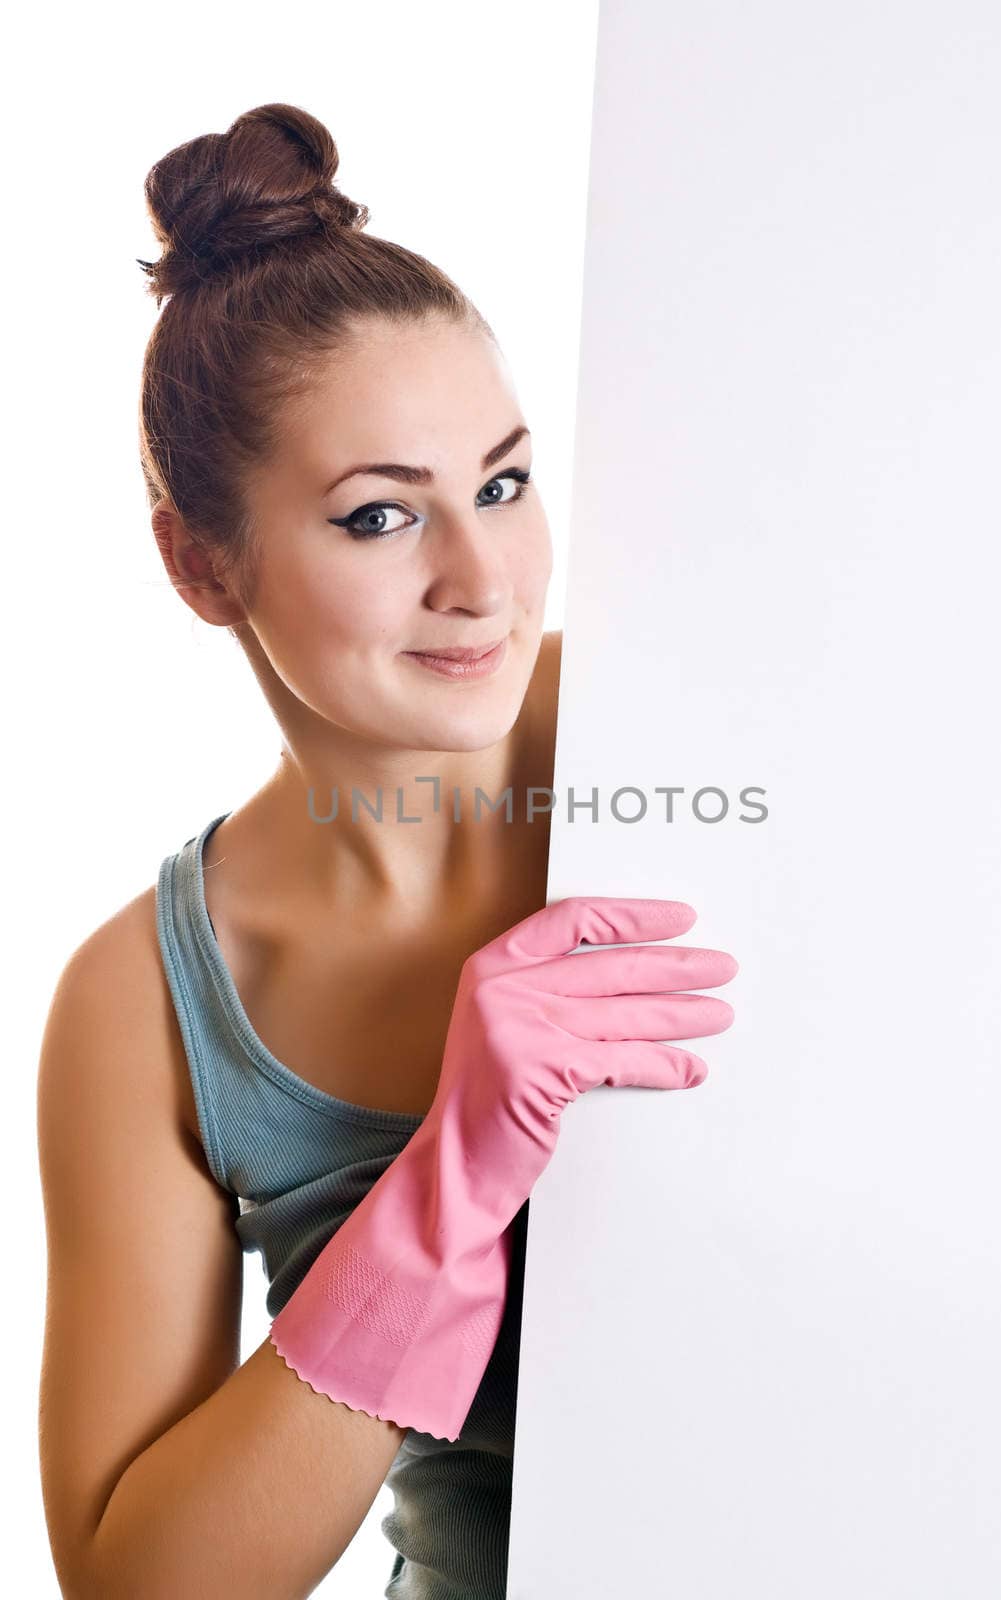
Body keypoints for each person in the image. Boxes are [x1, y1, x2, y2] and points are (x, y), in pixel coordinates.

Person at [36, 103, 739, 1599]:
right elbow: (135, 1583)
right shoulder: (149, 1004)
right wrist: (442, 1187)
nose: (484, 582)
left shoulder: (693, 724)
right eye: (377, 519)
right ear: (198, 563)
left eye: (502, 484)